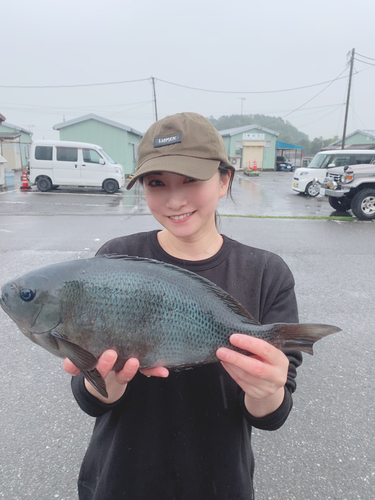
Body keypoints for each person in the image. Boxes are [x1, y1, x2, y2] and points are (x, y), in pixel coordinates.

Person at [63, 112, 302, 500]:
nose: (175, 199)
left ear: (224, 179)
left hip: (219, 484)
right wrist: (106, 382)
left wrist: (265, 390)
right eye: (157, 183)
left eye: (191, 179)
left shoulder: (265, 273)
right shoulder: (117, 258)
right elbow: (90, 397)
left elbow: (273, 413)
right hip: (119, 481)